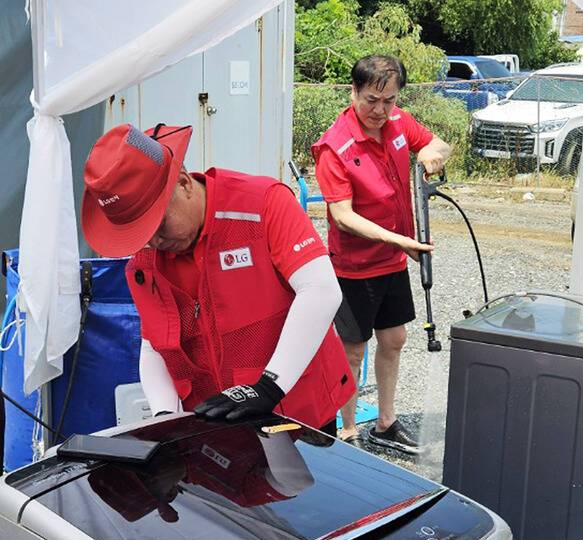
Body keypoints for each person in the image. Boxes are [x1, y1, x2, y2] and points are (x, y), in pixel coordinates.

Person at [81, 123, 355, 435]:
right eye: (141, 233)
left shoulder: (262, 204)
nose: (154, 241)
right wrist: (165, 418)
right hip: (216, 424)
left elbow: (321, 289)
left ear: (183, 184)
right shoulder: (146, 264)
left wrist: (269, 386)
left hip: (296, 410)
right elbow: (153, 344)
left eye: (159, 224)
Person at [313, 55, 452, 453]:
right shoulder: (334, 147)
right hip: (355, 266)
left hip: (393, 261)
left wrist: (432, 154)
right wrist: (399, 241)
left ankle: (386, 424)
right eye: (372, 99)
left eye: (389, 100)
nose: (380, 110)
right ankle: (347, 430)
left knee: (394, 338)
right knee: (352, 349)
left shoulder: (398, 123)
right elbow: (342, 217)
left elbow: (437, 144)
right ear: (353, 91)